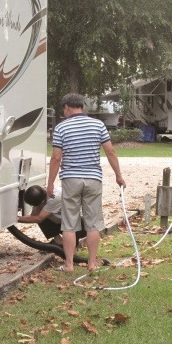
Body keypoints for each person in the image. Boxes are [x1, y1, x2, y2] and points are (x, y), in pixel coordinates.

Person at [47, 93, 125, 272]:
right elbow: (110, 151)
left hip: (71, 179)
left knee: (69, 223)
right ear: (82, 106)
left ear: (67, 107)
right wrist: (118, 175)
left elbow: (56, 157)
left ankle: (68, 264)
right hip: (93, 179)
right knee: (93, 222)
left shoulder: (61, 128)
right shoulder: (98, 125)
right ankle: (91, 263)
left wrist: (50, 183)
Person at [17, 185, 86, 246]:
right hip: (66, 223)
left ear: (42, 201)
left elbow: (38, 218)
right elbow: (34, 215)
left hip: (82, 225)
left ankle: (71, 247)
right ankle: (59, 242)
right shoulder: (41, 192)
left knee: (41, 217)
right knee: (41, 215)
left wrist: (15, 219)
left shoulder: (55, 197)